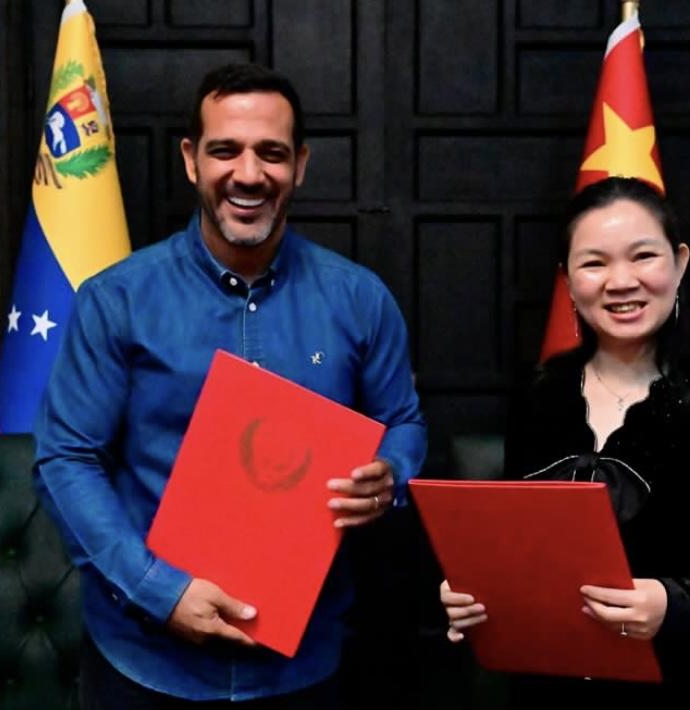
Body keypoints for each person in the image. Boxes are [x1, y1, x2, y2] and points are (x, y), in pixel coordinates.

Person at [34, 63, 427, 708]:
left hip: (308, 660)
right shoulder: (117, 300)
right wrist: (159, 591)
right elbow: (66, 459)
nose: (249, 174)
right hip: (146, 661)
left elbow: (403, 421)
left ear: (300, 165)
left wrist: (393, 474)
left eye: (271, 153)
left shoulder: (360, 299)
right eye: (225, 150)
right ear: (191, 160)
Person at [439, 176, 690, 707]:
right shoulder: (540, 393)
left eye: (643, 256)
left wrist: (672, 602)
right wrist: (474, 590)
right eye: (594, 263)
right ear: (568, 279)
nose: (621, 281)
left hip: (681, 677)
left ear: (679, 263)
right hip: (548, 676)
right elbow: (517, 541)